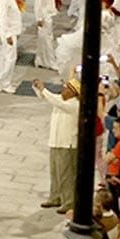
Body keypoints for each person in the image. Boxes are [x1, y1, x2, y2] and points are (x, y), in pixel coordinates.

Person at [33, 78, 80, 214]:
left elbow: (54, 100)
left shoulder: (74, 104)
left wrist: (43, 89)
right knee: (55, 172)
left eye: (67, 88)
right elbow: (48, 97)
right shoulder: (62, 99)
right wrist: (38, 88)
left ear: (73, 92)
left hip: (67, 144)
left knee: (66, 174)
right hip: (56, 141)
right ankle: (55, 197)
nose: (63, 89)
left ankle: (68, 201)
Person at [0, 0, 24, 93]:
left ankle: (5, 82)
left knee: (9, 58)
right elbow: (3, 18)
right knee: (9, 59)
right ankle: (4, 83)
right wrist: (8, 34)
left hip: (13, 32)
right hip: (9, 33)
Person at [34, 0, 61, 70]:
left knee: (46, 38)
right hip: (44, 15)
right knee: (46, 39)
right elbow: (38, 2)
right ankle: (49, 61)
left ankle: (41, 60)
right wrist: (39, 17)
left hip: (48, 13)